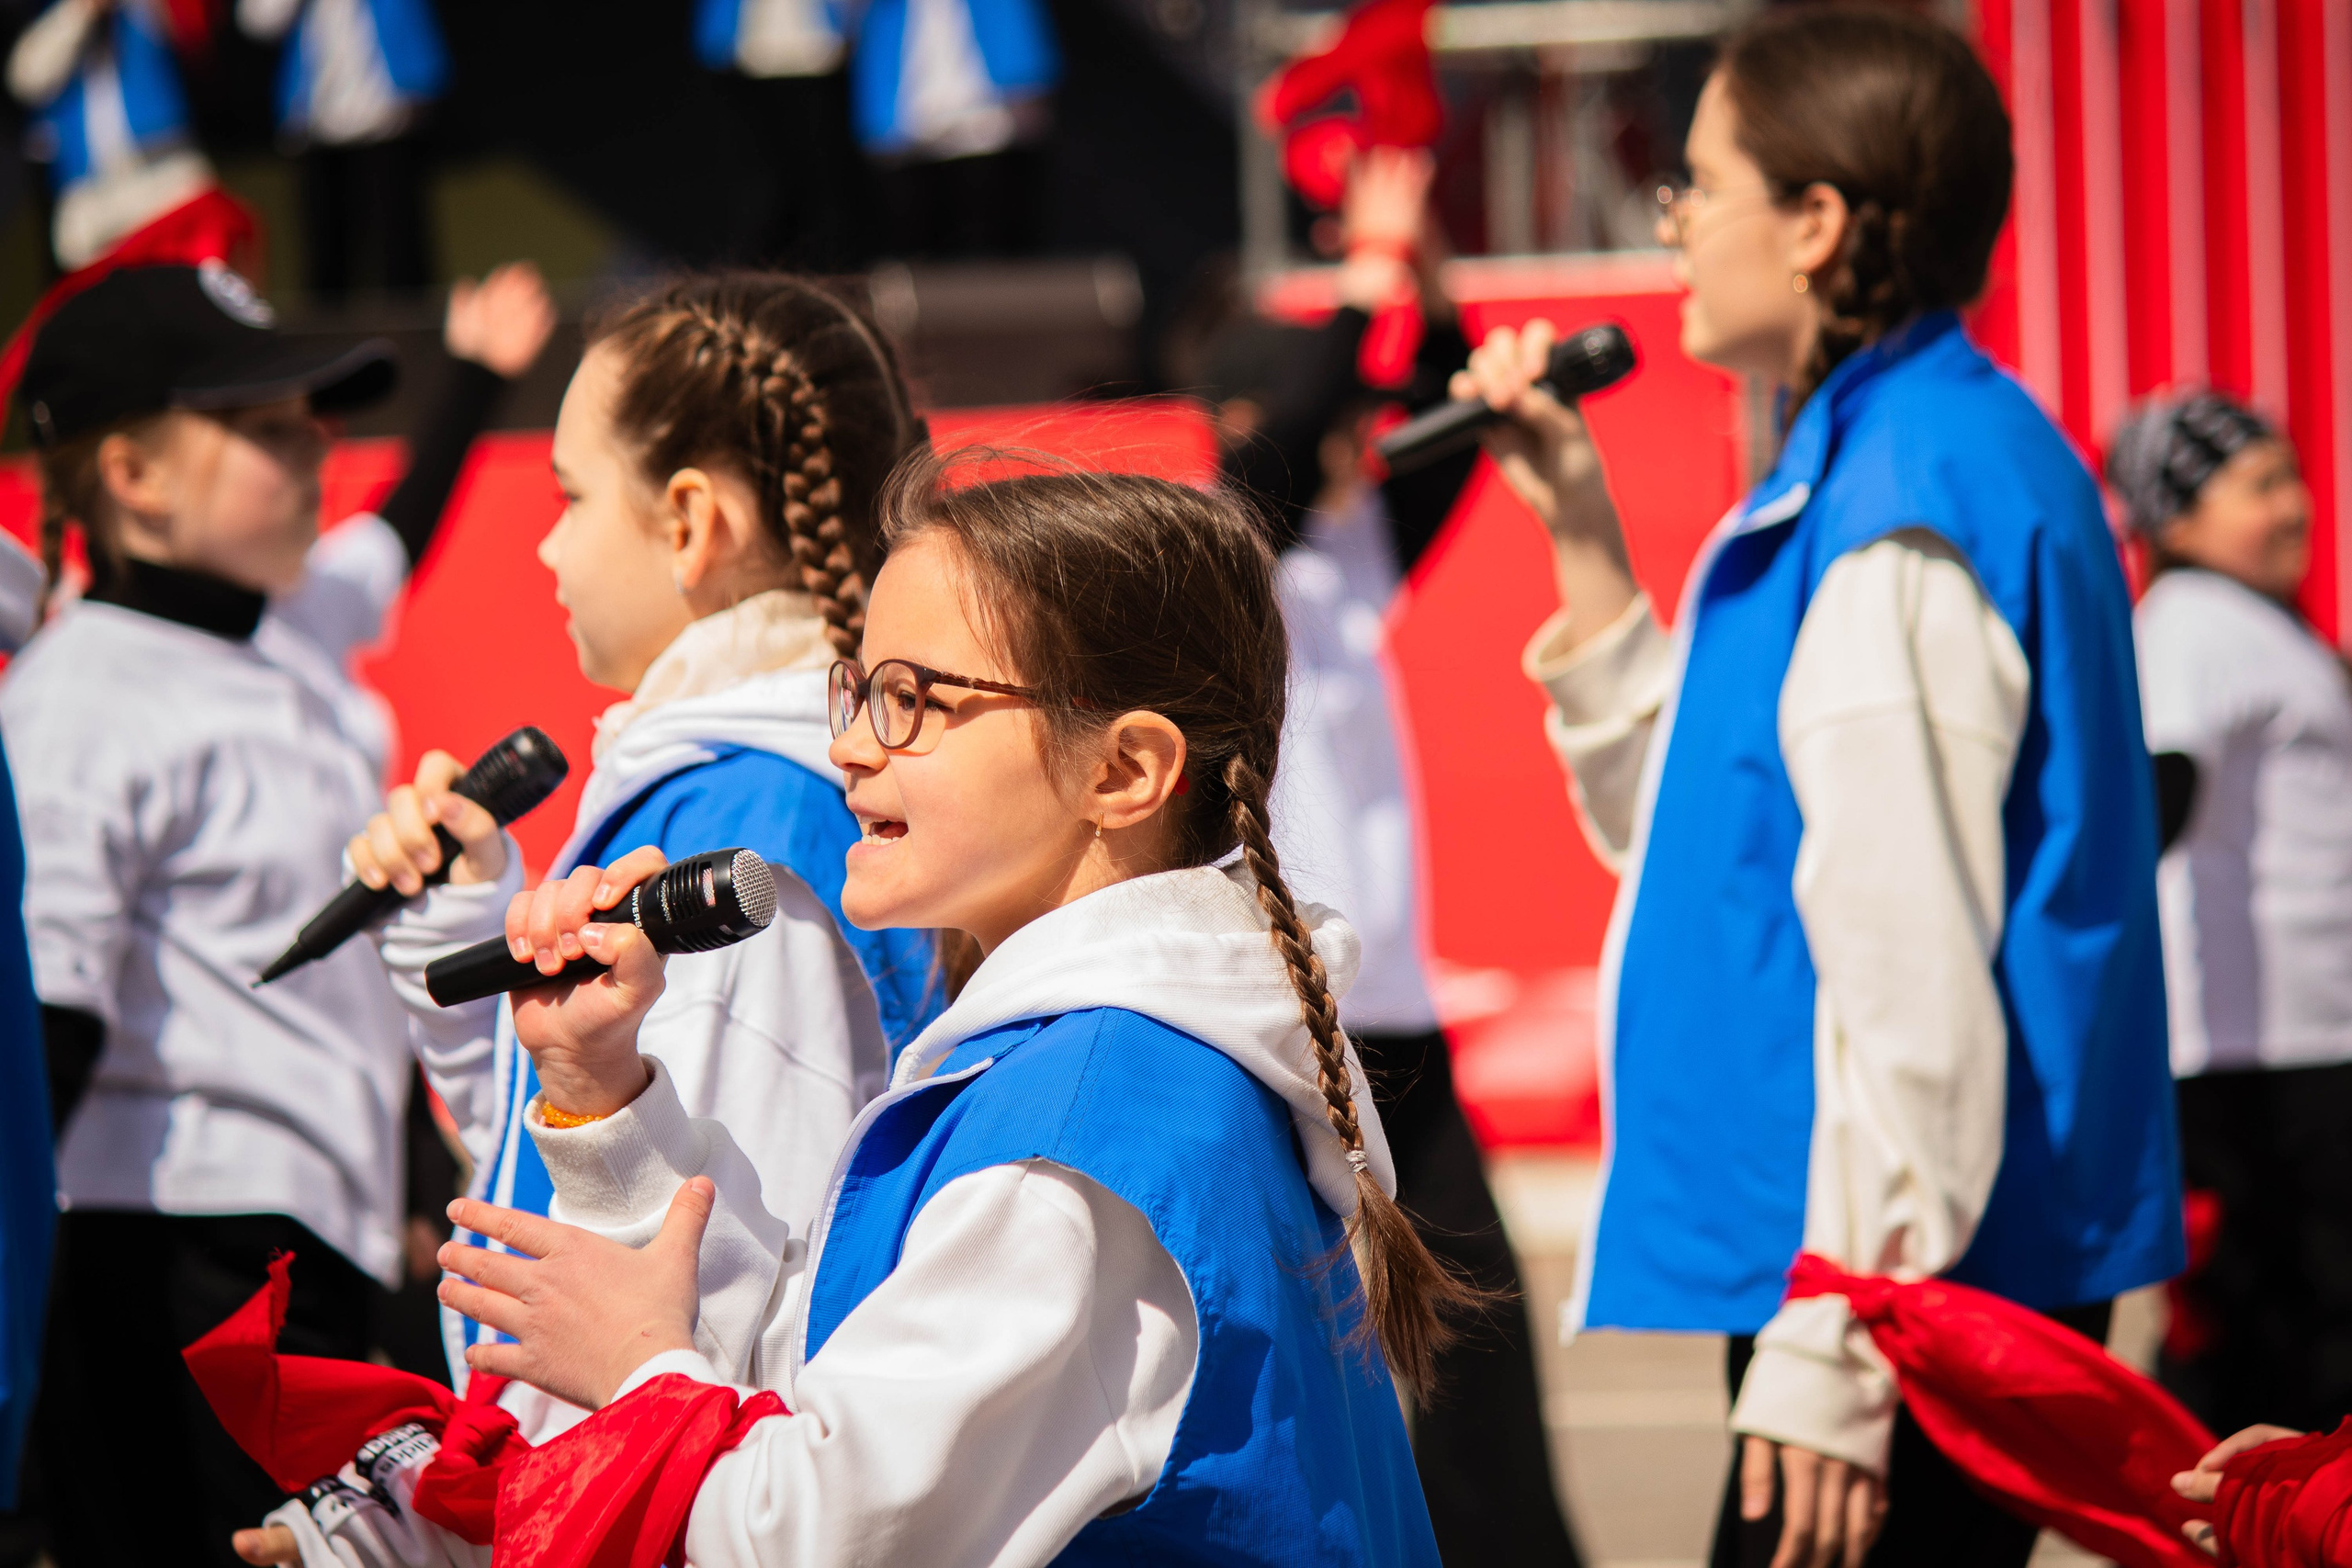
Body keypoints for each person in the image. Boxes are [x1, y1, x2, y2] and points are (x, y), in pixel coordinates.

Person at [431, 467, 1471, 1564]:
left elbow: (811, 1535)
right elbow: (821, 1373)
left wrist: (641, 1369)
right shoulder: (1096, 1070)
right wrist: (604, 1091)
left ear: (1122, 771)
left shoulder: (1082, 1147)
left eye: (913, 700)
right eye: (860, 688)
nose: (851, 745)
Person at [1463, 9, 2181, 1567]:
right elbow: (1713, 839)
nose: (1673, 220)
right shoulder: (1894, 456)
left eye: (1698, 181)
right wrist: (1580, 524)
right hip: (1900, 1269)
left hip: (1905, 1286)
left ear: (1817, 222)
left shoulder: (1900, 506)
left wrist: (1843, 1346)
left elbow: (1912, 977)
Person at [227, 272, 945, 1567]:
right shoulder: (741, 777)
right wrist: (466, 920)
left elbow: (704, 1295)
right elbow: (571, 1153)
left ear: (687, 519)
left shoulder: (750, 825)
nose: (547, 546)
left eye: (568, 496)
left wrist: (444, 1534)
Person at [1, 257, 551, 1568]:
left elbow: (394, 536)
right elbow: (46, 1028)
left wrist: (473, 375)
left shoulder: (285, 623)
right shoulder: (81, 693)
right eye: (261, 430)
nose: (312, 454)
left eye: (314, 422)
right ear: (131, 474)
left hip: (305, 1234)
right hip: (166, 1260)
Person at [1212, 146, 1581, 1565]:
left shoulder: (1353, 551)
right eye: (1342, 420)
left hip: (1397, 1027)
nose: (1372, 438)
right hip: (1288, 1033)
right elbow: (1276, 443)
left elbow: (1447, 396)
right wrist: (1362, 277)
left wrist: (1416, 269)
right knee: (1294, 1360)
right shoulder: (1233, 552)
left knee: (1476, 1339)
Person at [2108, 389, 2352, 1438]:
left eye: (2289, 474)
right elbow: (2154, 798)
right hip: (2255, 1066)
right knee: (2271, 1350)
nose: (2292, 504)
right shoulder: (2190, 626)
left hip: (2300, 1047)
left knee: (2304, 1340)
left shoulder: (2259, 625)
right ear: (2175, 519)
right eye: (2257, 486)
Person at [235, 0, 448, 302]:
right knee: (327, 263)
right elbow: (259, 21)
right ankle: (328, 345)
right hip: (314, 125)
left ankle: (413, 345)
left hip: (386, 118)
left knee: (400, 257)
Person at [6, 0, 217, 268]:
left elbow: (195, 34)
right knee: (101, 300)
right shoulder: (52, 16)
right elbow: (27, 80)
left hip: (164, 172)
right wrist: (80, 11)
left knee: (183, 284)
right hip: (87, 192)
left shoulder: (147, 10)